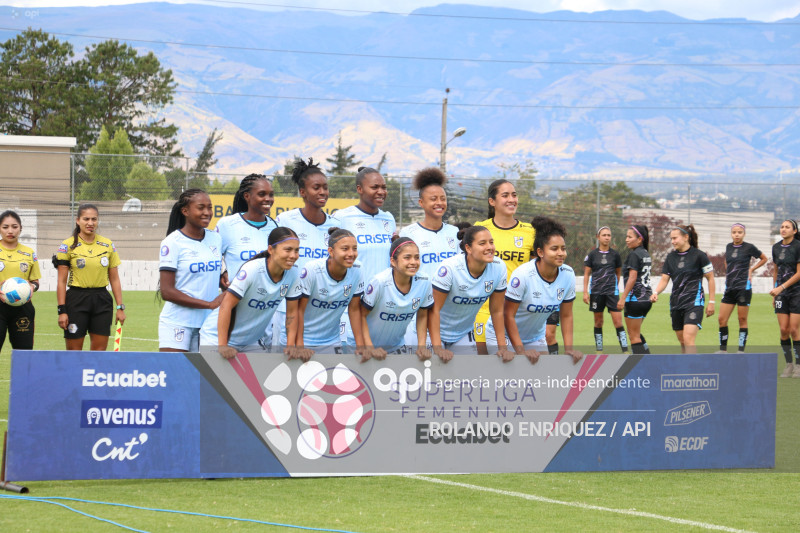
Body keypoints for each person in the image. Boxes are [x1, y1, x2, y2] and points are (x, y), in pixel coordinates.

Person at [201, 227, 305, 360]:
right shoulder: (252, 270)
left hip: (250, 342)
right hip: (216, 338)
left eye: (296, 250)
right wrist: (222, 345)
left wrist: (291, 345)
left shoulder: (293, 273)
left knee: (259, 380)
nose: (293, 255)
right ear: (270, 250)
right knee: (216, 381)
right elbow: (225, 306)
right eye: (288, 250)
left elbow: (291, 313)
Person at [494, 216, 582, 364]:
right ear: (540, 252)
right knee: (510, 378)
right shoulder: (523, 275)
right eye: (554, 249)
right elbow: (507, 315)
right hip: (505, 336)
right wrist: (521, 351)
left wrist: (569, 349)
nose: (561, 253)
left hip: (535, 337)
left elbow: (566, 315)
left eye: (563, 248)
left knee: (541, 378)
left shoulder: (568, 274)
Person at [274, 158, 336, 347]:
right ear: (303, 192)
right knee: (281, 369)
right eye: (316, 187)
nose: (322, 192)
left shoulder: (336, 226)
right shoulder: (285, 220)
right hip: (288, 308)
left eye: (325, 187)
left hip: (322, 312)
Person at [332, 166, 396, 342]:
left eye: (383, 187)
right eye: (375, 187)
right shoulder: (342, 218)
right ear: (359, 189)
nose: (381, 191)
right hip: (351, 305)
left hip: (381, 305)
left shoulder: (388, 219)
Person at [428, 225, 509, 361]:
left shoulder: (499, 267)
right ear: (468, 248)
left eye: (491, 242)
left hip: (462, 334)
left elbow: (497, 311)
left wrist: (502, 348)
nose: (489, 247)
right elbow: (433, 310)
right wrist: (437, 347)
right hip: (431, 332)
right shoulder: (450, 268)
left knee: (467, 378)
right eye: (482, 243)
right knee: (432, 375)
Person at [473, 179, 535, 355]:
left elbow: (536, 272)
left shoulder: (530, 231)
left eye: (514, 195)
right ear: (492, 201)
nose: (511, 199)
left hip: (517, 312)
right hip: (484, 309)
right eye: (505, 195)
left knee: (518, 367)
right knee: (484, 366)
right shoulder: (479, 229)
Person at [399, 167, 458, 348]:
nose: (439, 203)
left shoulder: (454, 233)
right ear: (421, 203)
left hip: (450, 314)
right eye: (433, 199)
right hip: (420, 313)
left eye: (442, 198)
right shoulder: (408, 232)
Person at [158, 189, 224, 352]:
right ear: (185, 211)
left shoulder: (215, 238)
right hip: (177, 323)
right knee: (176, 375)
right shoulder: (172, 242)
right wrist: (209, 304)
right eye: (201, 208)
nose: (207, 212)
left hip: (208, 324)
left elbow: (215, 274)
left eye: (210, 207)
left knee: (204, 376)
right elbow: (166, 291)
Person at [348, 237, 433, 360]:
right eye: (407, 257)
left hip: (395, 347)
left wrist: (421, 346)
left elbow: (423, 314)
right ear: (393, 261)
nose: (414, 262)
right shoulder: (379, 282)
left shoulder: (424, 281)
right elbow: (361, 315)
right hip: (363, 346)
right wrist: (370, 348)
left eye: (417, 257)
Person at [55, 204, 125, 351]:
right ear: (77, 220)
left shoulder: (107, 244)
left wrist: (120, 307)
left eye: (94, 219)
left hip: (102, 300)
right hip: (76, 299)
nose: (90, 223)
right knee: (74, 352)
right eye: (86, 219)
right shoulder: (67, 245)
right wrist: (62, 310)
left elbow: (114, 279)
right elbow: (61, 281)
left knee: (99, 353)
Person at [296, 228, 365, 355]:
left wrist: (360, 346)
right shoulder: (312, 270)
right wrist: (299, 345)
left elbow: (354, 310)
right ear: (331, 251)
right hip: (303, 340)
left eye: (354, 248)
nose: (351, 253)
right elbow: (298, 310)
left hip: (332, 341)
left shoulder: (357, 269)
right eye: (345, 249)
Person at [650, 225, 715, 353]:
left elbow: (710, 278)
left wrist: (711, 302)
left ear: (686, 237)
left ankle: (692, 370)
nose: (673, 241)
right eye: (671, 239)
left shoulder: (699, 255)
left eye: (675, 238)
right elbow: (664, 279)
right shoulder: (670, 257)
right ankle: (684, 369)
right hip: (676, 303)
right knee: (682, 342)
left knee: (688, 339)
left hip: (694, 302)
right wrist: (656, 292)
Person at [215, 173, 277, 281]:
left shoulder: (275, 227)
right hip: (237, 297)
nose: (268, 199)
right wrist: (222, 272)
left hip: (269, 297)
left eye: (271, 195)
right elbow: (211, 254)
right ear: (247, 196)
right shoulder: (227, 225)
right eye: (262, 194)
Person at [718, 223, 767, 353]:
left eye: (739, 232)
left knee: (742, 319)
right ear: (731, 234)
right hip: (730, 288)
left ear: (744, 234)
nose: (737, 234)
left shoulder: (749, 247)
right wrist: (729, 272)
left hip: (743, 288)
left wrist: (751, 269)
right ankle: (723, 350)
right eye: (734, 232)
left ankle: (741, 350)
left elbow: (764, 258)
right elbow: (726, 261)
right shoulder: (728, 246)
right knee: (721, 319)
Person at [0, 210, 40, 351]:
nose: (10, 231)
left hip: (22, 308)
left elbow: (35, 281)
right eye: (5, 227)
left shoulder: (29, 253)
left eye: (14, 227)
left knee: (24, 352)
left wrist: (31, 288)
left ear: (20, 228)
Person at [583, 226, 627, 352]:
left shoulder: (615, 255)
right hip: (596, 293)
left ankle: (625, 350)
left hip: (611, 293)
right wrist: (585, 292)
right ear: (598, 237)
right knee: (598, 322)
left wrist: (613, 286)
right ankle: (599, 349)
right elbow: (586, 274)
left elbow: (618, 273)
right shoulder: (592, 255)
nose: (607, 237)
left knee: (618, 322)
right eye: (604, 235)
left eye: (609, 235)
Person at [769, 219, 800, 377]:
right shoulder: (775, 247)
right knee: (783, 330)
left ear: (794, 231)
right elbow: (776, 271)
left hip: (796, 292)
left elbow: (799, 273)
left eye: (787, 227)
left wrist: (782, 287)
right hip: (781, 293)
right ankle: (788, 365)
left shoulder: (798, 246)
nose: (783, 229)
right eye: (782, 227)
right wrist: (776, 290)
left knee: (794, 330)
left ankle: (798, 366)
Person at [617, 225, 653, 354]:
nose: (626, 239)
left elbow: (632, 278)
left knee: (634, 337)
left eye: (629, 237)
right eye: (626, 236)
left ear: (639, 239)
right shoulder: (645, 253)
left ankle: (641, 367)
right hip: (646, 299)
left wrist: (622, 298)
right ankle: (648, 359)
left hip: (635, 299)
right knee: (635, 333)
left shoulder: (634, 255)